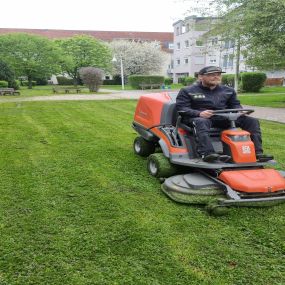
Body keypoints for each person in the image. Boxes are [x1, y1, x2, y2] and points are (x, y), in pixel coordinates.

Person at [176, 66, 273, 162]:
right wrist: (199, 113)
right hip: (199, 118)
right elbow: (182, 108)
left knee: (252, 121)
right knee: (201, 122)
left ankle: (258, 153)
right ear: (200, 77)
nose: (216, 77)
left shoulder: (228, 91)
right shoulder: (187, 91)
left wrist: (239, 111)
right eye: (211, 75)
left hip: (223, 117)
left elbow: (235, 105)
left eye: (218, 75)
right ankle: (207, 153)